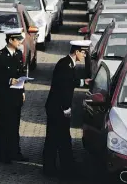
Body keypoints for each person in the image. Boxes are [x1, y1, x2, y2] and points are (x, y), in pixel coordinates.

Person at [43, 40, 93, 178]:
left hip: (57, 107)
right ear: (76, 52)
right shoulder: (65, 65)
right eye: (83, 52)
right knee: (55, 139)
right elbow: (64, 89)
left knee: (61, 138)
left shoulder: (68, 63)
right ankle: (54, 168)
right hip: (57, 109)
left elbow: (70, 81)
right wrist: (66, 109)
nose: (84, 55)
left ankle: (65, 166)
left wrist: (83, 82)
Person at [0, 28, 29, 164]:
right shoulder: (0, 56)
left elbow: (21, 73)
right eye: (18, 40)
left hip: (16, 96)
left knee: (15, 125)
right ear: (11, 40)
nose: (20, 42)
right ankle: (3, 153)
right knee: (4, 126)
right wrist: (8, 80)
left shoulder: (18, 54)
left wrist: (22, 91)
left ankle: (15, 151)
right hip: (5, 97)